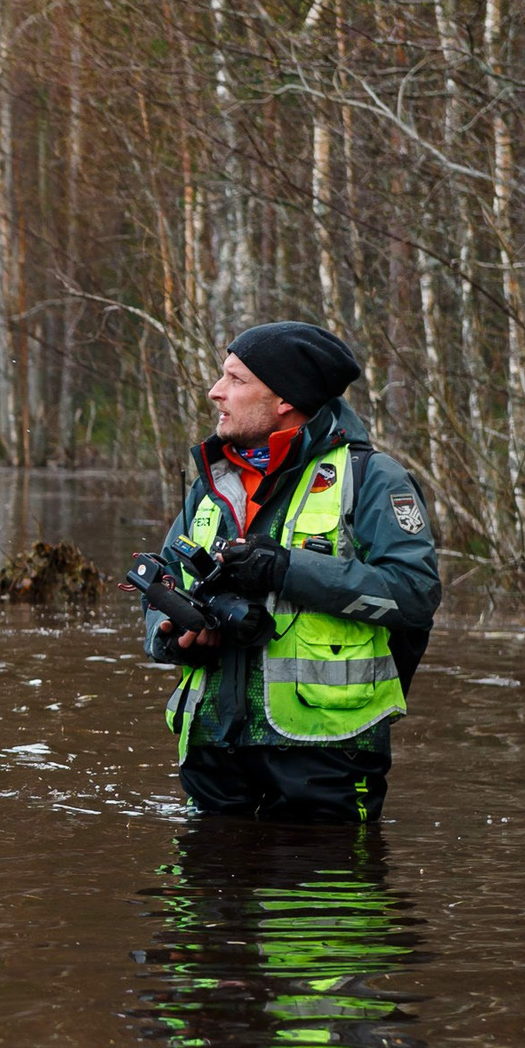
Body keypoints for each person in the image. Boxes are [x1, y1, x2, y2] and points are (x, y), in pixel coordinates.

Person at [140, 322, 440, 823]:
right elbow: (162, 582)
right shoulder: (214, 480)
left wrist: (285, 570)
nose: (216, 392)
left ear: (285, 399)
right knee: (202, 896)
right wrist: (170, 632)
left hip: (327, 752)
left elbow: (414, 595)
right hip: (211, 745)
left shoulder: (370, 478)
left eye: (235, 380)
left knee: (325, 899)